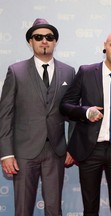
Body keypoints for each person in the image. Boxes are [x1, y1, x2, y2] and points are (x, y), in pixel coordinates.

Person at [59, 31, 111, 216]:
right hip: (90, 149)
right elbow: (65, 105)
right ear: (105, 46)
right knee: (90, 208)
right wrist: (86, 112)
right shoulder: (86, 72)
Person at [0, 18, 75, 215]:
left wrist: (72, 147)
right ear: (30, 42)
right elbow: (5, 114)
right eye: (38, 37)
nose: (44, 41)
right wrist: (7, 154)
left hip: (55, 151)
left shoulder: (69, 72)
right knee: (23, 208)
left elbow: (74, 113)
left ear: (55, 42)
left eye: (49, 37)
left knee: (53, 208)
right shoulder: (15, 72)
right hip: (24, 151)